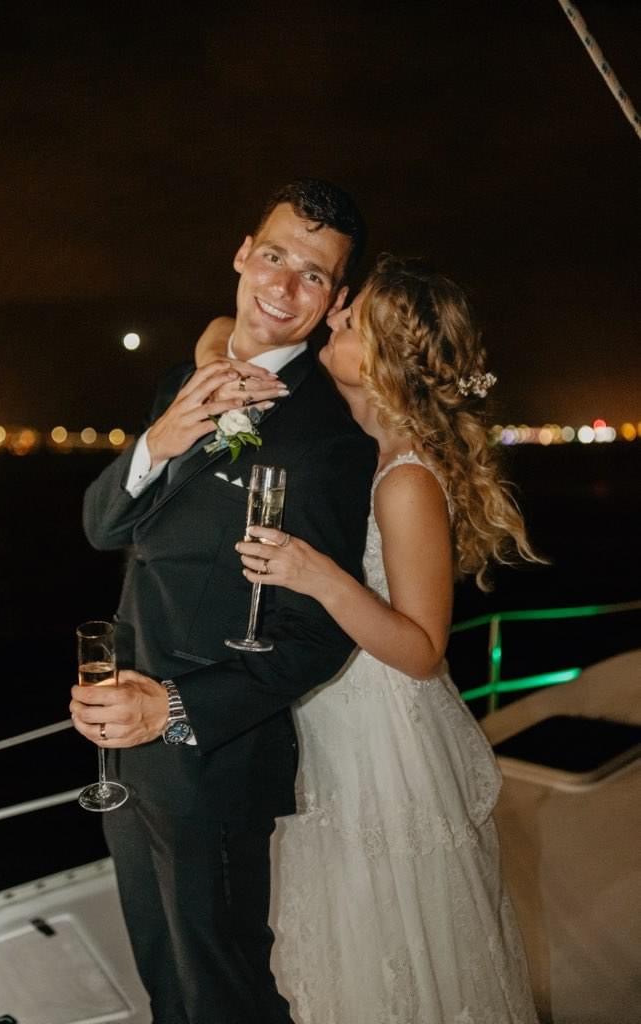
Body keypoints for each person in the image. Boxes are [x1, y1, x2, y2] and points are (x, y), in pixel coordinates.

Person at [198, 254, 541, 1023]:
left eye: (351, 320)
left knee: (383, 932)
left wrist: (313, 574)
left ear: (383, 359)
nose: (335, 314)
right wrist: (220, 368)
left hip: (380, 731)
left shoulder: (406, 479)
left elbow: (422, 650)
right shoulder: (344, 428)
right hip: (328, 711)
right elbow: (224, 330)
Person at [69, 178, 377, 1024]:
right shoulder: (183, 377)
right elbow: (104, 526)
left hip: (214, 758)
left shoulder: (326, 441)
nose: (281, 287)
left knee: (226, 993)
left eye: (312, 276)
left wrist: (166, 707)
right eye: (274, 257)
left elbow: (317, 637)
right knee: (164, 977)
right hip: (119, 747)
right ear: (243, 254)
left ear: (334, 299)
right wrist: (161, 438)